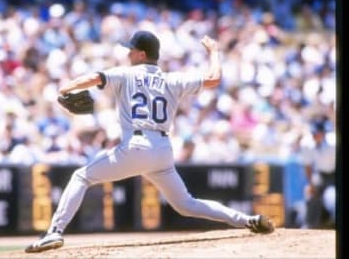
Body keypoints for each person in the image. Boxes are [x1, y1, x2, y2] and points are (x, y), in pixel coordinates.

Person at [25, 30, 275, 253]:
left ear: (142, 54)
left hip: (135, 146)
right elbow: (213, 79)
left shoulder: (126, 74)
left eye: (131, 50)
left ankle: (54, 232)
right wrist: (214, 52)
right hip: (163, 151)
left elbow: (93, 78)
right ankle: (246, 220)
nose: (128, 54)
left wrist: (64, 89)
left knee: (81, 177)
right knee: (186, 204)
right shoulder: (173, 79)